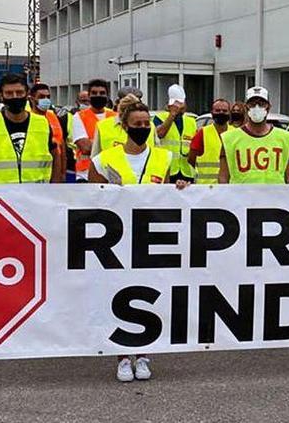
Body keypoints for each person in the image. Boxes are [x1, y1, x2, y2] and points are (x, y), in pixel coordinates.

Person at [87, 98, 187, 381]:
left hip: (151, 237)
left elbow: (166, 193)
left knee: (147, 296)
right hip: (115, 240)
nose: (143, 128)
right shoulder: (104, 159)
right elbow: (91, 199)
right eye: (137, 124)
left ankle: (143, 354)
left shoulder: (163, 158)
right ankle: (121, 355)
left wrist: (180, 187)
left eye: (146, 124)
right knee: (118, 296)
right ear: (125, 126)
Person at [0, 74, 63, 184]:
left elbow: (55, 154)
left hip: (36, 194)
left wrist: (55, 186)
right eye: (9, 93)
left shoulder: (42, 123)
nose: (15, 97)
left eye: (19, 93)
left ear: (27, 94)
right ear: (1, 96)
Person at [218, 87, 289, 184]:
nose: (257, 107)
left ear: (268, 107)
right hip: (241, 197)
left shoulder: (285, 138)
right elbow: (223, 176)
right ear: (246, 108)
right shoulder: (229, 138)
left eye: (261, 104)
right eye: (252, 104)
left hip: (275, 197)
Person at [72, 79, 114, 182]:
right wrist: (111, 144)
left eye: (102, 93)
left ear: (107, 96)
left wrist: (94, 143)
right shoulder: (79, 116)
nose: (98, 95)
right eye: (94, 93)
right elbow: (85, 147)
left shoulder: (115, 116)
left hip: (111, 172)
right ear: (89, 96)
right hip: (85, 174)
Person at [154, 84, 197, 183]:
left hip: (186, 171)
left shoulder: (191, 121)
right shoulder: (160, 118)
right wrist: (172, 115)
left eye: (182, 103)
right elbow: (160, 134)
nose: (181, 107)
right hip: (167, 170)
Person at [188, 98, 235, 184]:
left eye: (224, 111)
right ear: (212, 112)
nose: (221, 113)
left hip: (229, 187)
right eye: (217, 110)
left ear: (229, 113)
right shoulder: (202, 133)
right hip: (206, 187)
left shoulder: (235, 133)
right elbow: (191, 158)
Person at [92, 86, 148, 157]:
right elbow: (95, 158)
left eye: (135, 105)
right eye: (127, 104)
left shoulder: (149, 126)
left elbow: (157, 155)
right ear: (118, 104)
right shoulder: (103, 126)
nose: (130, 109)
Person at [29, 83, 67, 176]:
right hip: (38, 170)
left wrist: (63, 172)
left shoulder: (52, 116)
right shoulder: (29, 118)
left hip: (56, 167)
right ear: (32, 99)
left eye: (48, 97)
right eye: (41, 97)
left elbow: (61, 143)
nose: (45, 100)